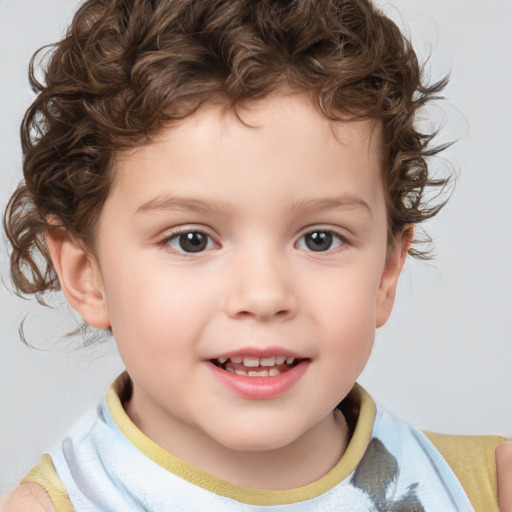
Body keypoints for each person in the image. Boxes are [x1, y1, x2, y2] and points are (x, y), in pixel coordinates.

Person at [2, 0, 510, 510]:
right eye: (191, 239)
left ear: (386, 272)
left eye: (319, 238)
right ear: (86, 274)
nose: (264, 296)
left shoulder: (491, 488)